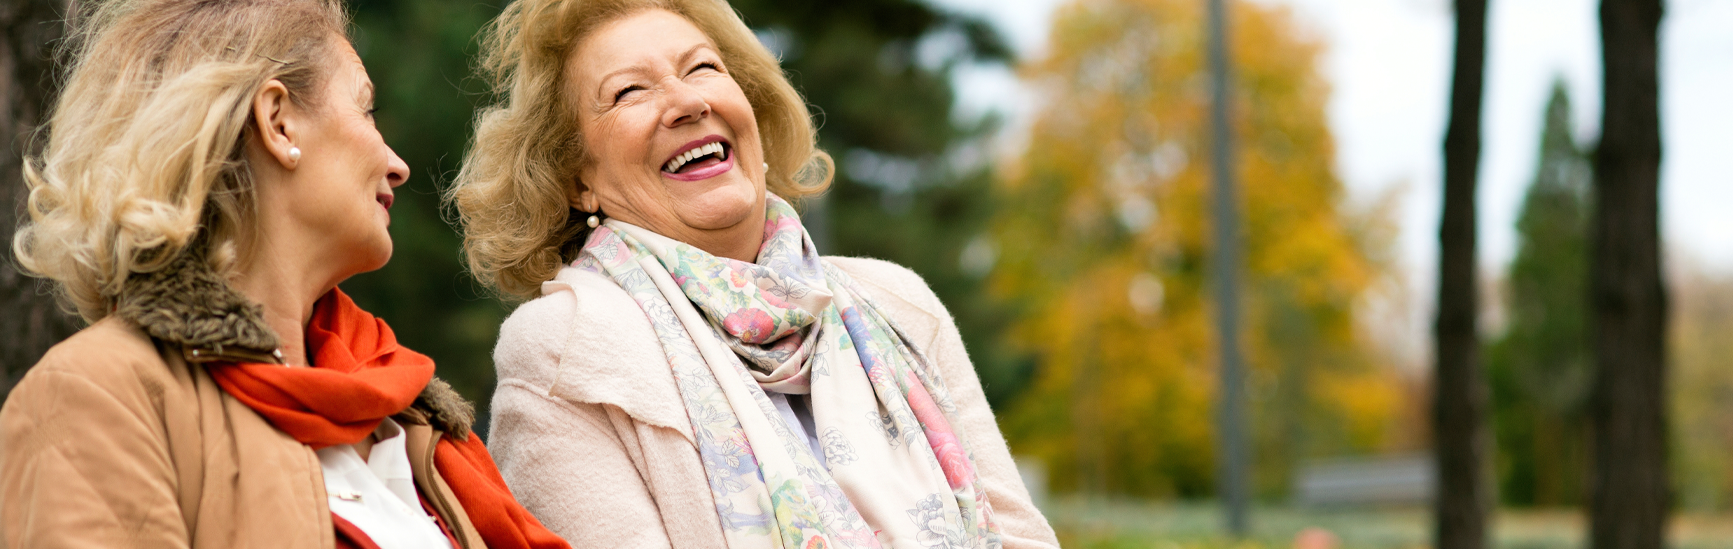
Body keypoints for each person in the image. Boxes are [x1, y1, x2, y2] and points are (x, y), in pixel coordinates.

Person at [449, 0, 1060, 547]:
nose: (689, 102)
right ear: (578, 179)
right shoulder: (565, 349)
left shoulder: (899, 303)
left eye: (703, 68)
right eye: (630, 91)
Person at [1, 1, 571, 548]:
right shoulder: (96, 396)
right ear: (279, 123)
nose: (398, 166)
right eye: (366, 109)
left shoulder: (403, 412)